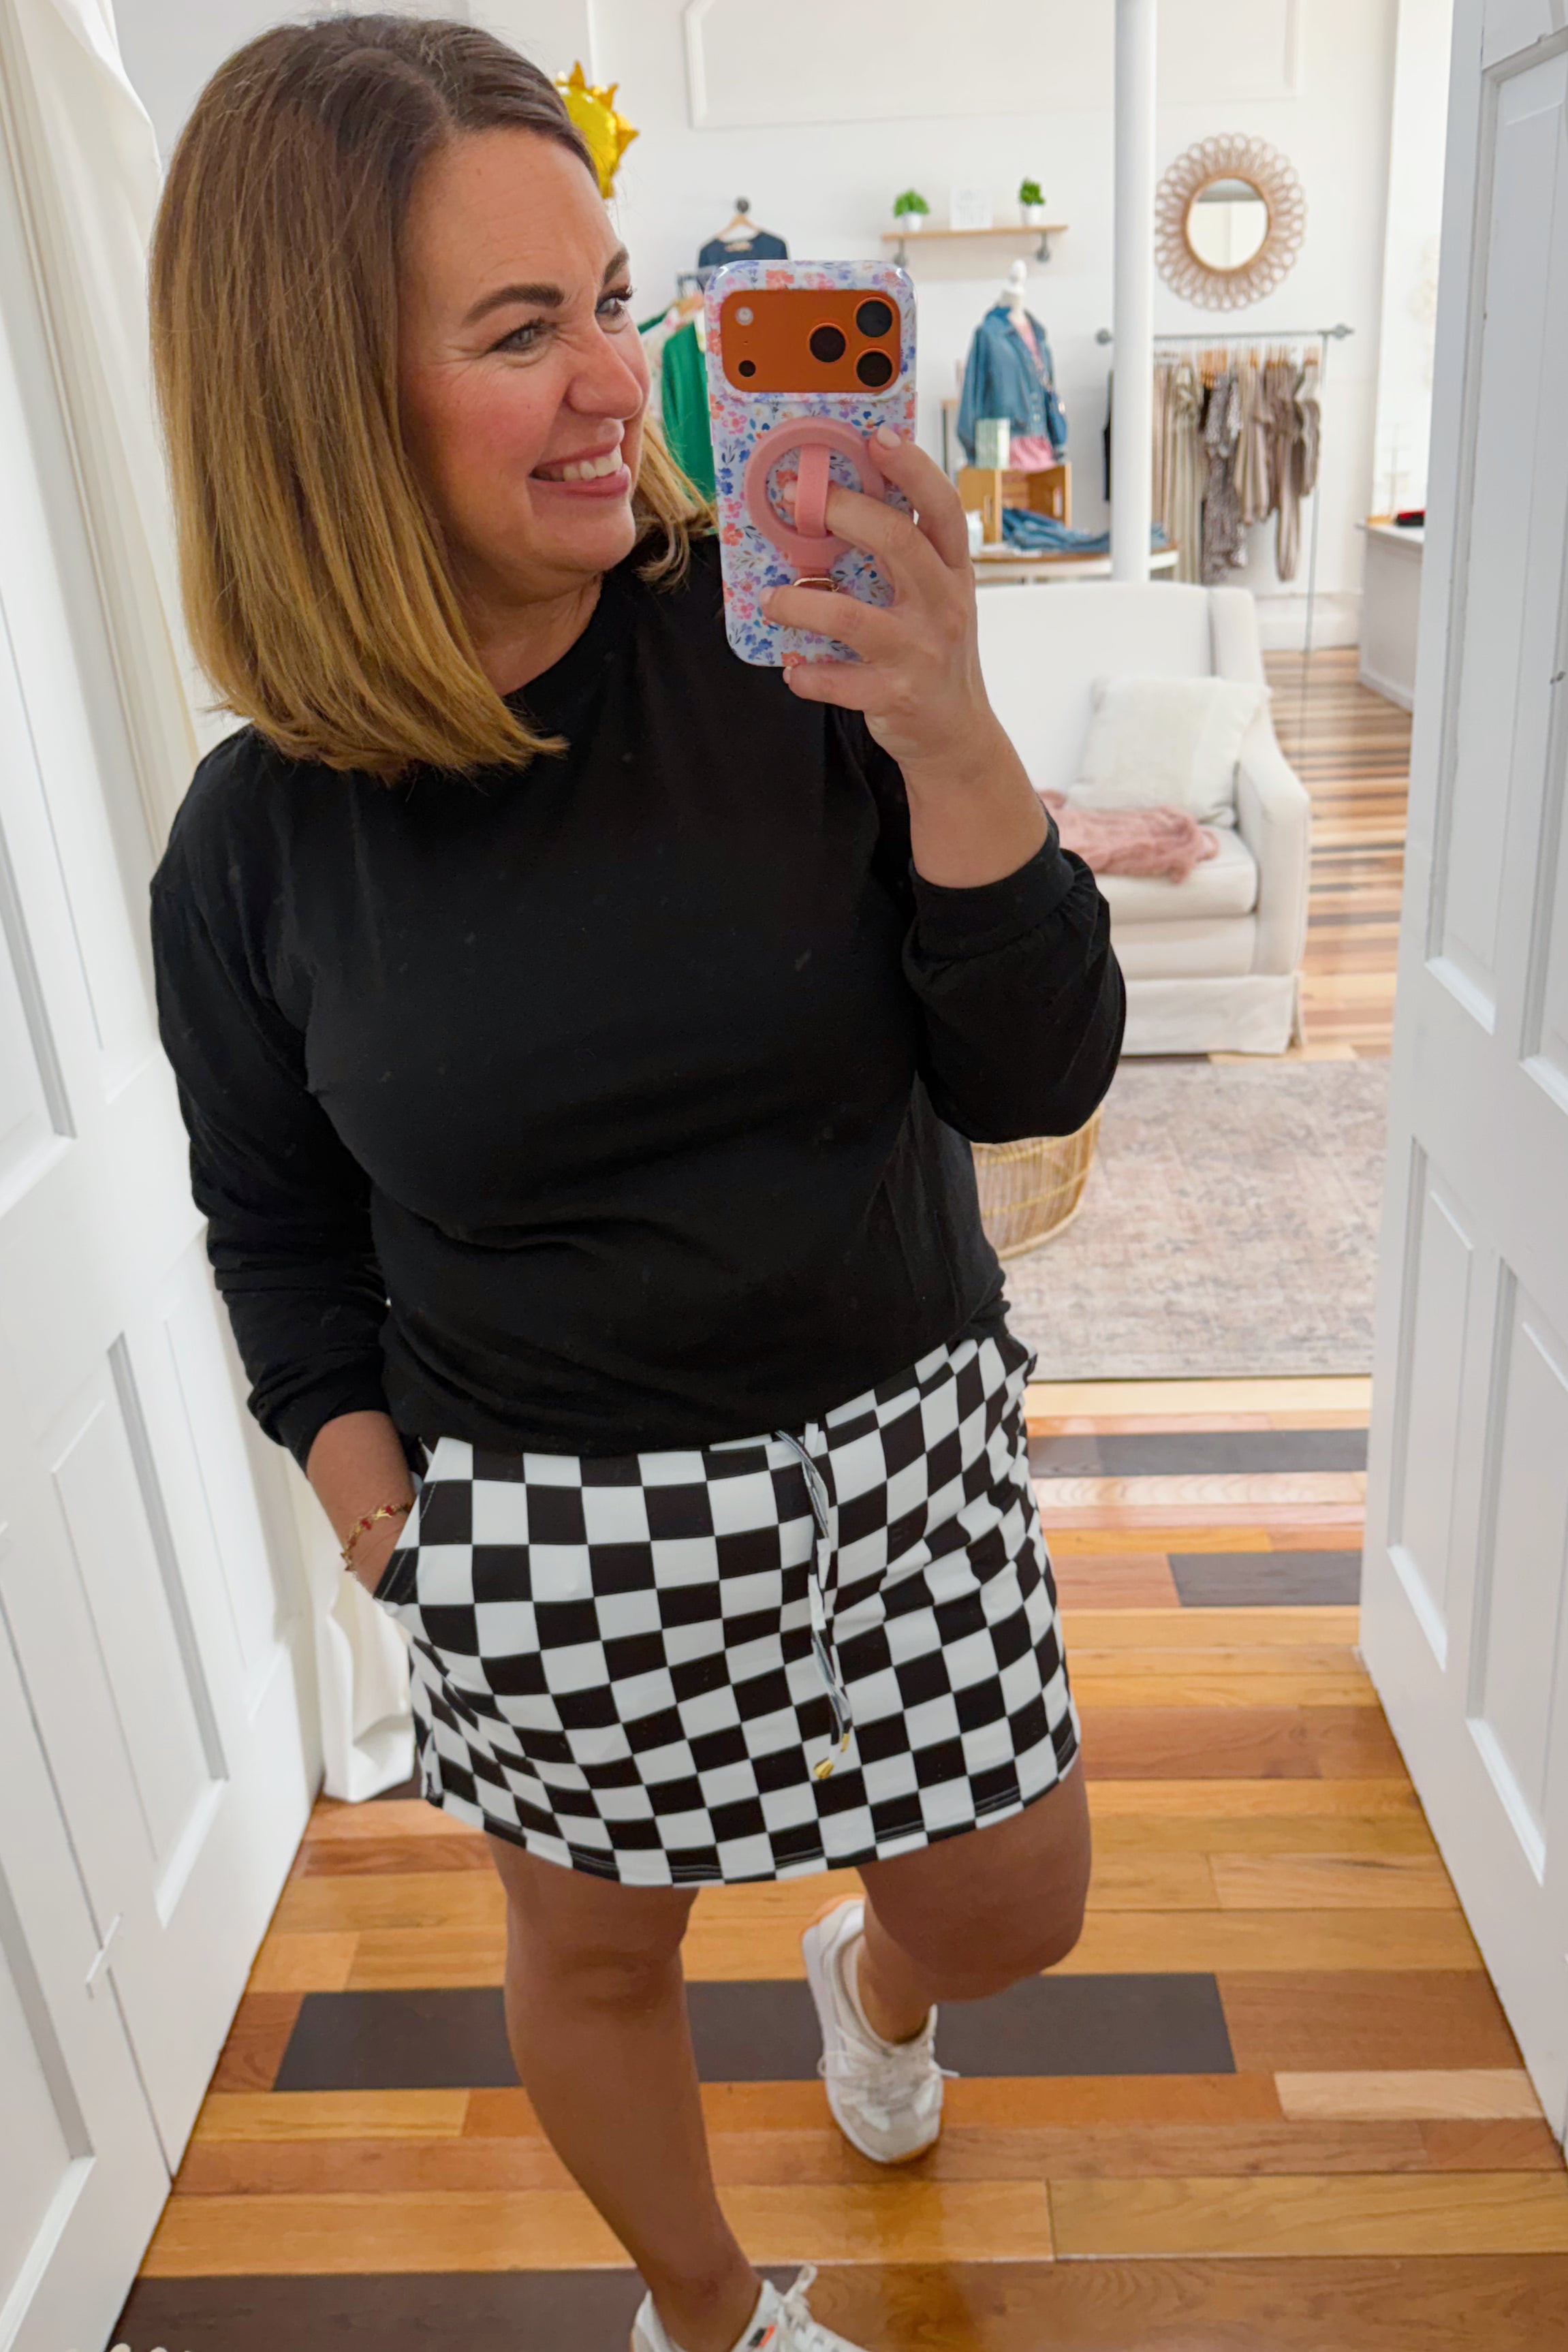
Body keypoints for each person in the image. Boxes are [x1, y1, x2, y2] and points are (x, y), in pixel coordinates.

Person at [146, 18, 1123, 2352]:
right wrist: (377, 1501)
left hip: (900, 1438)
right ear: (319, 402)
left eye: (611, 297)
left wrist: (954, 729)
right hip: (548, 1514)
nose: (622, 379)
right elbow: (274, 1224)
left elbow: (1037, 1070)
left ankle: (866, 1988)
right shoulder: (257, 849)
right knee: (593, 1955)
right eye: (523, 331)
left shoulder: (790, 643)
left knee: (1012, 1911)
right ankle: (706, 2313)